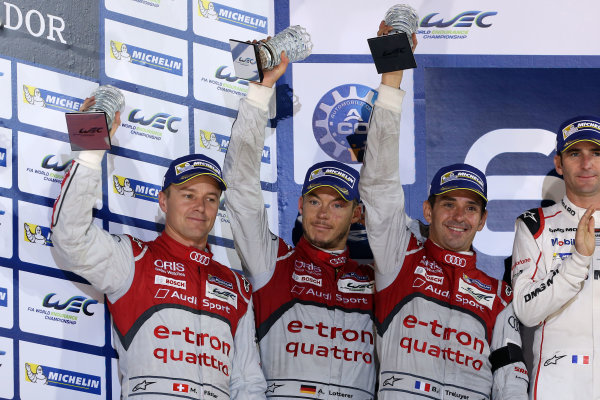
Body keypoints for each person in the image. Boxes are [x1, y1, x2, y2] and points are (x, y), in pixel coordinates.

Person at [51, 98, 267, 400]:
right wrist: (90, 147)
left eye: (210, 198)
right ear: (163, 202)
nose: (200, 207)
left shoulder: (236, 286)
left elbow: (247, 383)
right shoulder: (134, 259)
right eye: (188, 195)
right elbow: (69, 238)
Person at [358, 21, 528, 399]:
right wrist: (392, 78)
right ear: (427, 210)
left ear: (483, 221)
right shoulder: (397, 257)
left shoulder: (498, 297)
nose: (458, 216)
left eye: (470, 209)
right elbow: (379, 183)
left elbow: (511, 379)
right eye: (448, 204)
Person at [223, 53, 377, 398]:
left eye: (337, 204)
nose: (323, 213)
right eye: (314, 201)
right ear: (300, 205)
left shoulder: (375, 281)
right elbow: (240, 186)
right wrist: (260, 93)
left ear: (357, 214)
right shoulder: (272, 263)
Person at [511, 116, 600, 399]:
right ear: (559, 164)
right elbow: (526, 310)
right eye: (575, 153)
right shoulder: (535, 225)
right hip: (560, 382)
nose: (587, 164)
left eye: (596, 153)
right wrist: (576, 263)